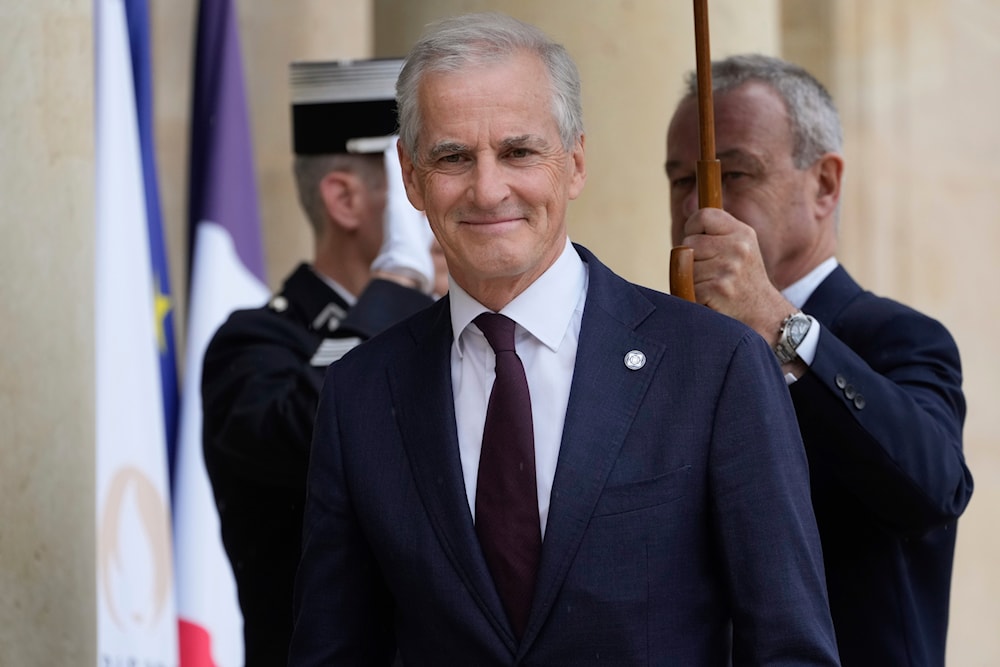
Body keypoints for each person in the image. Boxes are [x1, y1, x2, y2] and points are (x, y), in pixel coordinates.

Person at [289, 13, 840, 665]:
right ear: (411, 177)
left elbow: (788, 646)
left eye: (518, 151)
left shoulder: (712, 366)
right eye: (453, 157)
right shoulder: (360, 393)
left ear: (574, 162)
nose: (489, 188)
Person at [665, 53, 974, 666]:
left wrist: (778, 324)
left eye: (737, 173)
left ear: (825, 184)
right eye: (680, 178)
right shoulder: (672, 353)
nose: (701, 202)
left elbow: (933, 489)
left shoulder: (898, 337)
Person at [201, 58, 441, 666]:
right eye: (422, 173)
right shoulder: (256, 343)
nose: (456, 194)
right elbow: (310, 426)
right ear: (345, 198)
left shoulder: (449, 337)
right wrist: (396, 285)